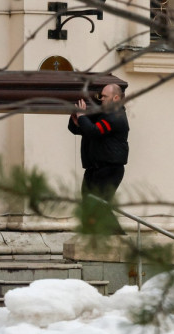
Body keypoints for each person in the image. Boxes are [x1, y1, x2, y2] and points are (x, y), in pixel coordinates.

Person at [67, 83, 129, 235]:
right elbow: (78, 130)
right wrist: (77, 119)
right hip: (94, 169)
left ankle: (118, 238)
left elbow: (94, 131)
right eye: (100, 96)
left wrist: (82, 117)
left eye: (105, 97)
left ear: (116, 98)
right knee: (88, 205)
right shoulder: (103, 114)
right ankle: (92, 237)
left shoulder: (116, 116)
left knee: (100, 205)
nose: (101, 99)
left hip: (110, 169)